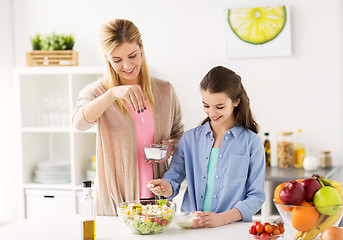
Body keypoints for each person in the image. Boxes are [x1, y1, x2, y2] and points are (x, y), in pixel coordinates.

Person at [72, 19, 184, 216]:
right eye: (117, 60)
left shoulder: (165, 90)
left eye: (132, 56)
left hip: (157, 202)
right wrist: (112, 94)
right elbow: (78, 123)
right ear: (107, 58)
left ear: (141, 46)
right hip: (116, 204)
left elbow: (179, 134)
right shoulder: (98, 92)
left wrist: (171, 147)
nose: (127, 65)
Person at [148, 66, 265, 228]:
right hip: (193, 227)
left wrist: (221, 219)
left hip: (232, 229)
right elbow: (173, 180)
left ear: (236, 101)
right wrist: (164, 188)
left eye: (219, 107)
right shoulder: (190, 139)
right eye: (206, 105)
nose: (212, 113)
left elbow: (256, 197)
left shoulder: (251, 142)